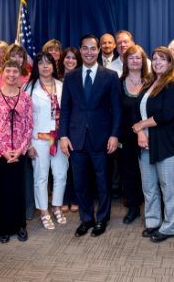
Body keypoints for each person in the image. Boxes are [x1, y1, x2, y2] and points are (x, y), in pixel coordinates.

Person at [59, 34, 122, 238]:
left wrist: (114, 135)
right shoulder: (71, 77)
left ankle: (102, 219)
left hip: (102, 138)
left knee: (103, 182)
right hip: (76, 139)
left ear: (98, 50)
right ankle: (87, 219)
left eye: (92, 48)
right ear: (80, 50)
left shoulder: (110, 76)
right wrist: (63, 136)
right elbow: (66, 109)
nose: (89, 52)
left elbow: (117, 110)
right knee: (81, 183)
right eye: (85, 48)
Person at [132, 46, 174, 243]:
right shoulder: (149, 83)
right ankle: (153, 222)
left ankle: (170, 227)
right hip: (146, 143)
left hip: (169, 144)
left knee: (169, 188)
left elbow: (167, 114)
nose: (158, 62)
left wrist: (141, 126)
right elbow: (136, 110)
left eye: (162, 59)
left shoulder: (173, 84)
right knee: (149, 187)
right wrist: (140, 132)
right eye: (154, 59)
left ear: (170, 63)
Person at [0, 60, 33, 244]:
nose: (12, 75)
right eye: (8, 71)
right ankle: (2, 228)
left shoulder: (26, 98)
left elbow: (29, 126)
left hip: (18, 153)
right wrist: (4, 151)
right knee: (0, 190)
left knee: (17, 190)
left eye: (15, 71)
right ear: (2, 73)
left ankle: (19, 225)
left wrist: (20, 150)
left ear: (20, 74)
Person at [23, 52, 69, 230]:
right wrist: (28, 144)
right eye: (41, 63)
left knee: (60, 174)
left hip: (59, 138)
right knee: (41, 177)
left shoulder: (61, 86)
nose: (45, 66)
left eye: (48, 63)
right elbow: (25, 118)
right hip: (39, 139)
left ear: (54, 65)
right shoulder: (29, 87)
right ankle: (43, 211)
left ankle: (56, 207)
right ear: (36, 66)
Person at [119, 45, 148, 224]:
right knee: (129, 174)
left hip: (147, 136)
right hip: (126, 137)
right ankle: (133, 208)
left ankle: (153, 210)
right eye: (131, 58)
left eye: (138, 57)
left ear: (143, 60)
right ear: (126, 61)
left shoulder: (152, 81)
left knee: (148, 174)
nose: (135, 61)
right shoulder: (118, 82)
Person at [58, 47, 82, 214]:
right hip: (57, 128)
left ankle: (74, 197)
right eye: (67, 58)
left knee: (74, 166)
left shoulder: (81, 79)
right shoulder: (55, 79)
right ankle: (63, 198)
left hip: (76, 127)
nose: (70, 61)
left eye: (74, 58)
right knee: (61, 166)